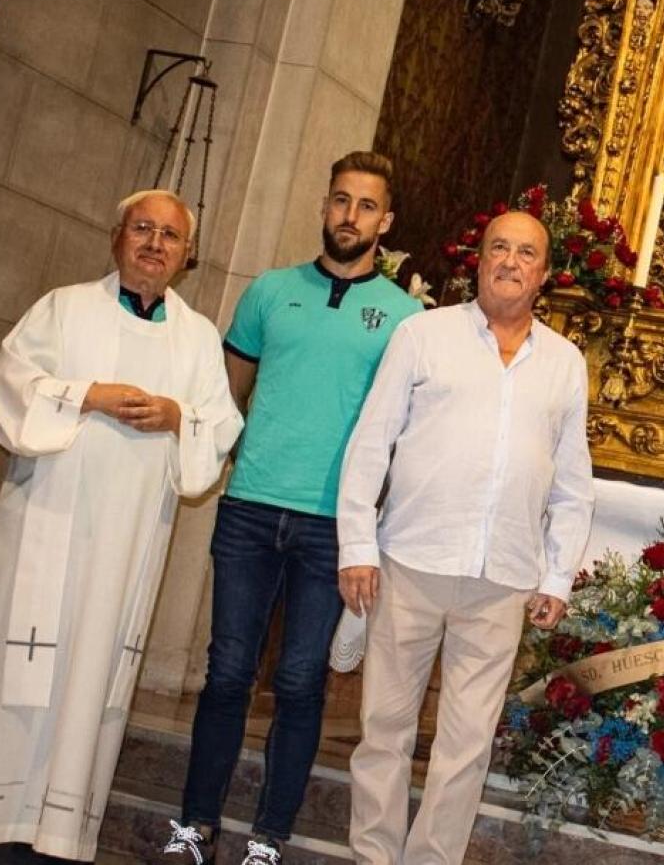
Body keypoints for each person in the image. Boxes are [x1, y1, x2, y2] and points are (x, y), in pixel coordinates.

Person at [0, 191, 241, 862]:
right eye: (143, 229)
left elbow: (220, 431)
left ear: (188, 257)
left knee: (89, 678)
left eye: (171, 236)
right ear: (115, 236)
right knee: (8, 666)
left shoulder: (196, 338)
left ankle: (55, 833)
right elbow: (10, 390)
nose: (156, 244)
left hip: (127, 544)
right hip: (45, 522)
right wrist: (87, 394)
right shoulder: (62, 309)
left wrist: (176, 415)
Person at [165, 151, 422, 864]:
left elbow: (402, 430)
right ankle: (196, 825)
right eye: (341, 201)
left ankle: (269, 837)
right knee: (226, 672)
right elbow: (227, 398)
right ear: (325, 206)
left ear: (386, 221)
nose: (351, 216)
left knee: (301, 680)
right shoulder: (269, 292)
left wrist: (372, 526)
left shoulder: (406, 318)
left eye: (367, 206)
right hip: (249, 506)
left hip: (333, 524)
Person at [336, 210, 594, 865]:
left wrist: (558, 577)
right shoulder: (423, 335)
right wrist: (358, 547)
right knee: (384, 730)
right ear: (477, 260)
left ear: (543, 274)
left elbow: (572, 484)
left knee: (466, 745)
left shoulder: (564, 364)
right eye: (498, 248)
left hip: (502, 578)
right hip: (410, 562)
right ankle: (373, 857)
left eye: (526, 252)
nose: (510, 261)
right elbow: (370, 444)